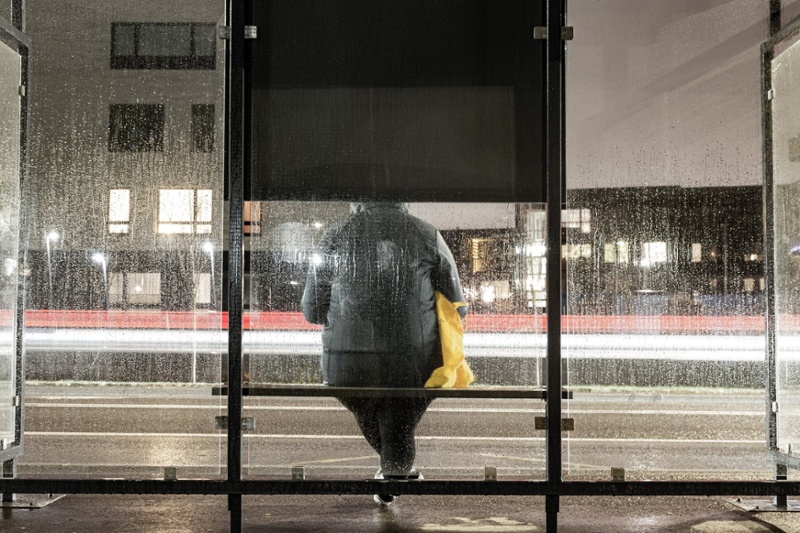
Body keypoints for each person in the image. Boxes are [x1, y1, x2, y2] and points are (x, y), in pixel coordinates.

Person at [301, 201, 466, 505]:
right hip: (415, 361)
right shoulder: (427, 234)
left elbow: (312, 309)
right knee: (400, 420)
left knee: (374, 414)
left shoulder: (335, 235)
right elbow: (460, 306)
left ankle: (395, 473)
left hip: (347, 360)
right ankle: (396, 474)